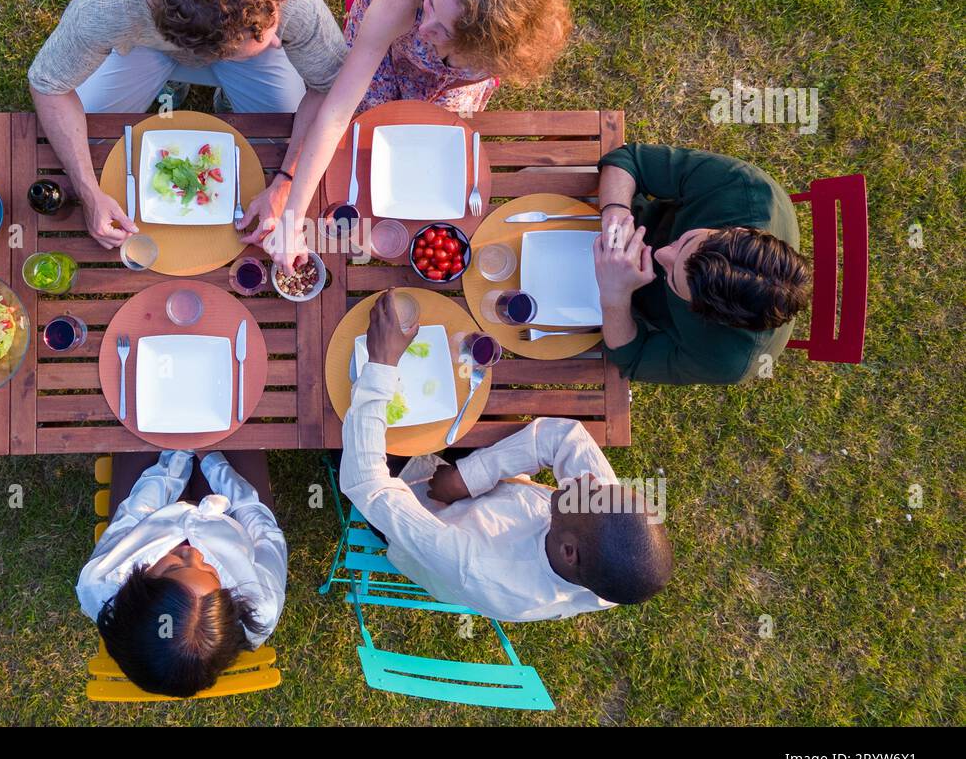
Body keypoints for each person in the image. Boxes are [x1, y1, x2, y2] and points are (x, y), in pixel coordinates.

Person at [240, 0, 572, 272]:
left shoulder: (503, 46)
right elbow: (337, 111)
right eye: (431, 6)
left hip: (451, 77)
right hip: (385, 49)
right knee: (365, 123)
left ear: (483, 47)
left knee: (433, 142)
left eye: (443, 30)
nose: (424, 28)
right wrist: (293, 218)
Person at [338, 290, 672, 622]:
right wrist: (468, 477)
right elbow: (565, 437)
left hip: (428, 517)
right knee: (484, 390)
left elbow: (367, 483)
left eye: (592, 491)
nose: (588, 478)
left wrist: (381, 363)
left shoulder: (478, 568)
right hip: (494, 489)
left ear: (568, 552)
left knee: (342, 425)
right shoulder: (605, 541)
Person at [28, 0, 348, 250]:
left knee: (282, 136)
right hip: (145, 46)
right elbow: (48, 84)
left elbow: (329, 87)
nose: (280, 43)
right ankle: (173, 86)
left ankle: (226, 94)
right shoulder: (106, 8)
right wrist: (88, 192)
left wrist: (285, 183)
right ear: (200, 54)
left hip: (224, 45)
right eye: (267, 40)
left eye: (274, 31)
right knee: (90, 135)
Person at [593, 143, 812, 384]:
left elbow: (632, 359)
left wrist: (615, 297)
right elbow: (628, 159)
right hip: (617, 220)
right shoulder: (743, 186)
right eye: (685, 241)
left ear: (706, 316)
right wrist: (616, 217)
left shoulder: (728, 361)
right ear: (734, 230)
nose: (660, 254)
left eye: (672, 279)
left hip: (619, 313)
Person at [76, 449, 286, 698]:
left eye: (175, 566)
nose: (194, 554)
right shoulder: (259, 605)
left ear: (137, 586)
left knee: (141, 433)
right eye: (210, 572)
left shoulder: (105, 580)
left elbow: (135, 512)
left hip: (152, 518)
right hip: (230, 518)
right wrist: (213, 462)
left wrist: (176, 451)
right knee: (243, 430)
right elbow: (264, 533)